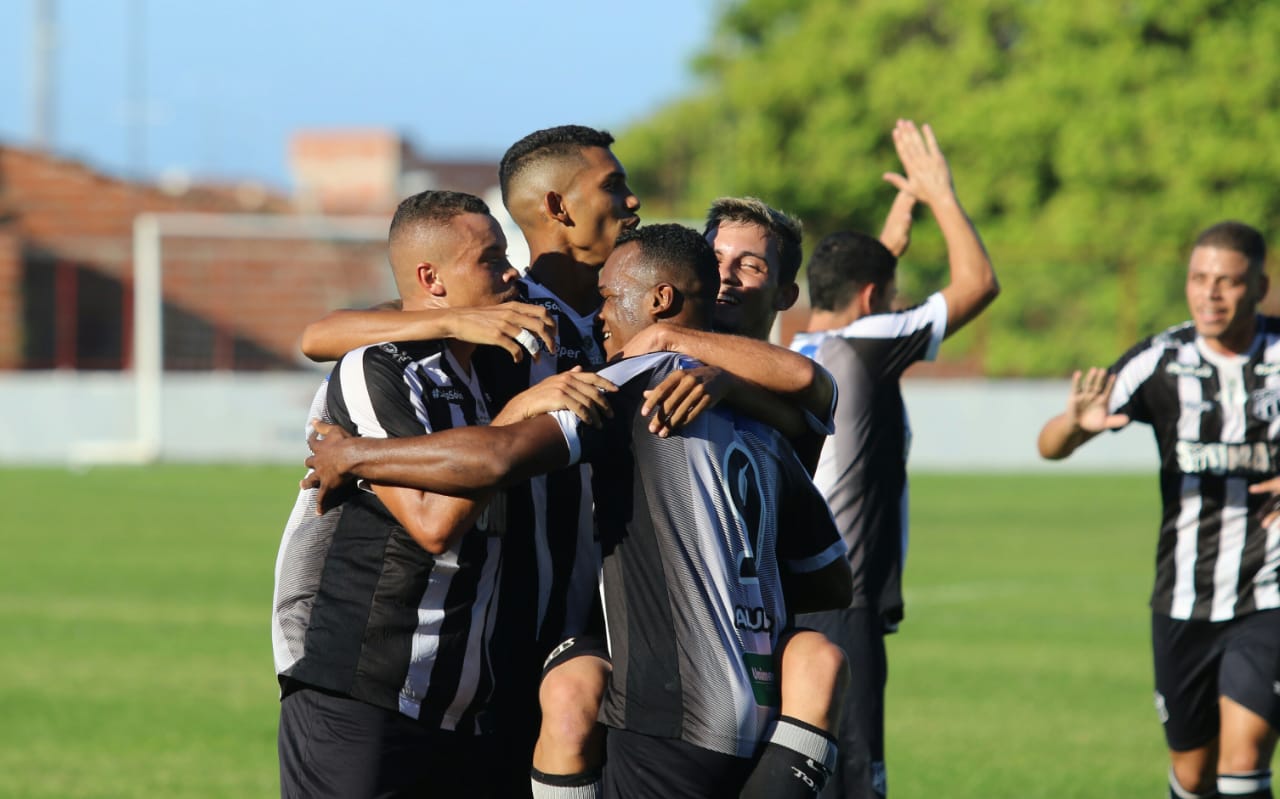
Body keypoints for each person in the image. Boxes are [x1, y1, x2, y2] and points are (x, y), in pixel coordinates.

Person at [305, 223, 853, 798]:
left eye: (610, 298)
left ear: (660, 301)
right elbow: (830, 579)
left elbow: (495, 458)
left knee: (571, 692)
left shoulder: (634, 388)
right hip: (772, 712)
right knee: (809, 656)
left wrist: (354, 454)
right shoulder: (770, 423)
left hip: (669, 711)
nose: (600, 317)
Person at [271, 189, 613, 798]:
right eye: (491, 259)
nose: (511, 273)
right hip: (364, 686)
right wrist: (520, 411)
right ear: (432, 279)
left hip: (460, 700)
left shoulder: (487, 365)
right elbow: (432, 524)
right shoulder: (379, 367)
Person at [788, 119, 1000, 799]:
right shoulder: (870, 343)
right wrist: (940, 194)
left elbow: (860, 296)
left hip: (788, 590)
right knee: (854, 778)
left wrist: (887, 245)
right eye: (892, 291)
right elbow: (978, 284)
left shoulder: (790, 351)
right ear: (873, 298)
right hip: (842, 593)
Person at [1038, 221, 1280, 799]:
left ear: (1259, 287)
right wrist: (1075, 424)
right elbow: (1049, 446)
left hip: (1268, 591)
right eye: (1198, 278)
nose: (1210, 293)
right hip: (1183, 597)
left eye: (1227, 281)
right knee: (1194, 774)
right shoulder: (1162, 359)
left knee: (1244, 755)